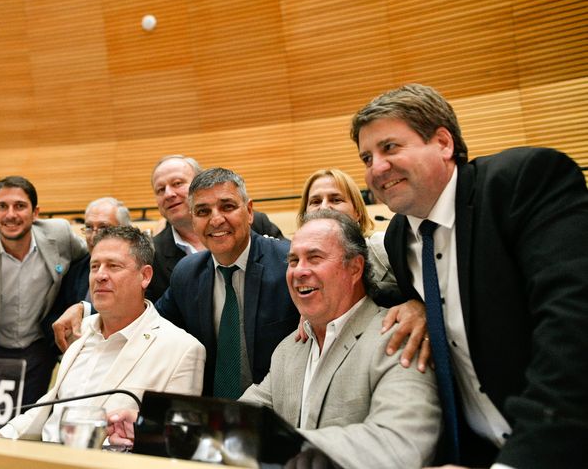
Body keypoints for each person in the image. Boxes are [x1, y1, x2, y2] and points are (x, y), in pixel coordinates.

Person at [351, 83, 588, 468]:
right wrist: (417, 303)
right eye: (366, 157)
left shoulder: (521, 183)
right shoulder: (398, 237)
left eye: (390, 147)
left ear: (443, 142)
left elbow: (573, 326)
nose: (375, 168)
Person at [107, 210, 441, 468]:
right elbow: (240, 418)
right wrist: (158, 428)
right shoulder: (289, 350)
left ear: (355, 268)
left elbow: (401, 442)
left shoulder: (398, 337)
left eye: (315, 258)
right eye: (293, 260)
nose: (298, 271)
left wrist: (282, 444)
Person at [0, 225, 205, 442]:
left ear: (145, 276)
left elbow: (176, 440)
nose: (100, 276)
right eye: (95, 266)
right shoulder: (80, 333)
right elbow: (48, 409)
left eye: (113, 266)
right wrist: (0, 437)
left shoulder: (182, 350)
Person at [0, 176, 87, 405]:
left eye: (20, 206)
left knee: (27, 431)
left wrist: (80, 305)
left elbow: (90, 261)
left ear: (35, 212)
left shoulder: (59, 234)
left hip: (39, 351)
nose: (10, 214)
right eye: (2, 206)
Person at [154, 168, 299, 397]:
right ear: (193, 220)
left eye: (227, 207)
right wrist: (87, 310)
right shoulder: (187, 274)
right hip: (213, 418)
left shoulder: (289, 265)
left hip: (281, 410)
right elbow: (152, 325)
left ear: (249, 212)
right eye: (202, 211)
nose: (216, 219)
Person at [298, 168, 430, 372]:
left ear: (357, 212)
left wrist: (421, 306)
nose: (324, 207)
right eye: (315, 201)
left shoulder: (386, 248)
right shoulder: (300, 268)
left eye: (336, 199)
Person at [146, 155, 285, 301]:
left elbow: (287, 263)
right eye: (160, 190)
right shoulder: (152, 254)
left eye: (177, 183)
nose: (168, 194)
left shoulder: (256, 224)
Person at [42, 197, 131, 350]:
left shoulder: (137, 267)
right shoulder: (76, 268)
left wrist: (84, 311)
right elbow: (51, 320)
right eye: (89, 227)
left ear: (124, 229)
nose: (94, 235)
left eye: (103, 227)